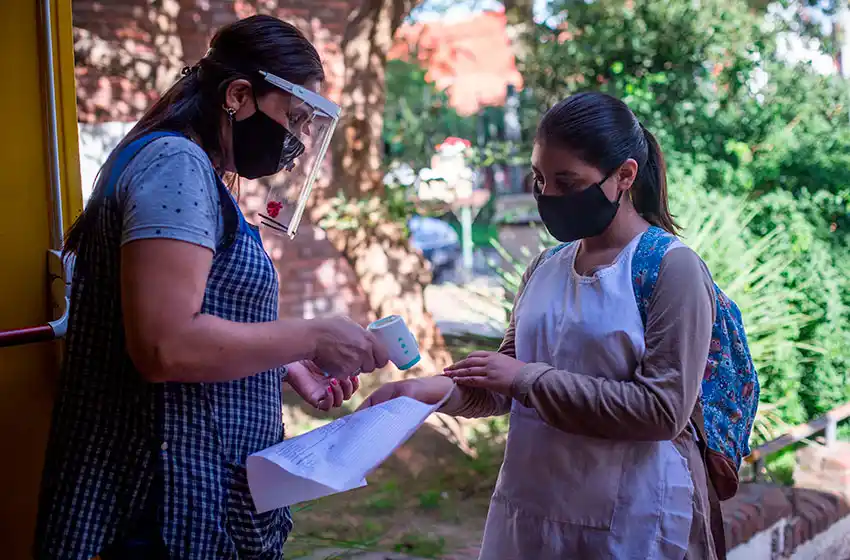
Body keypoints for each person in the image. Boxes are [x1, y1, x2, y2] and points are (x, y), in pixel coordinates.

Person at [35, 15, 388, 560]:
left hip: (171, 502)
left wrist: (278, 363)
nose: (295, 140)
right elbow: (165, 346)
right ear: (239, 96)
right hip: (153, 512)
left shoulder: (179, 162)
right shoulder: (177, 163)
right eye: (293, 118)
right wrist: (309, 338)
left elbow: (192, 315)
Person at [360, 92, 720, 559]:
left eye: (567, 183)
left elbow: (662, 410)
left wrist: (528, 379)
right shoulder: (545, 267)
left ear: (624, 176)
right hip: (528, 513)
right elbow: (502, 384)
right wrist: (428, 394)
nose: (548, 197)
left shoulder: (671, 269)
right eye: (539, 179)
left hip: (632, 521)